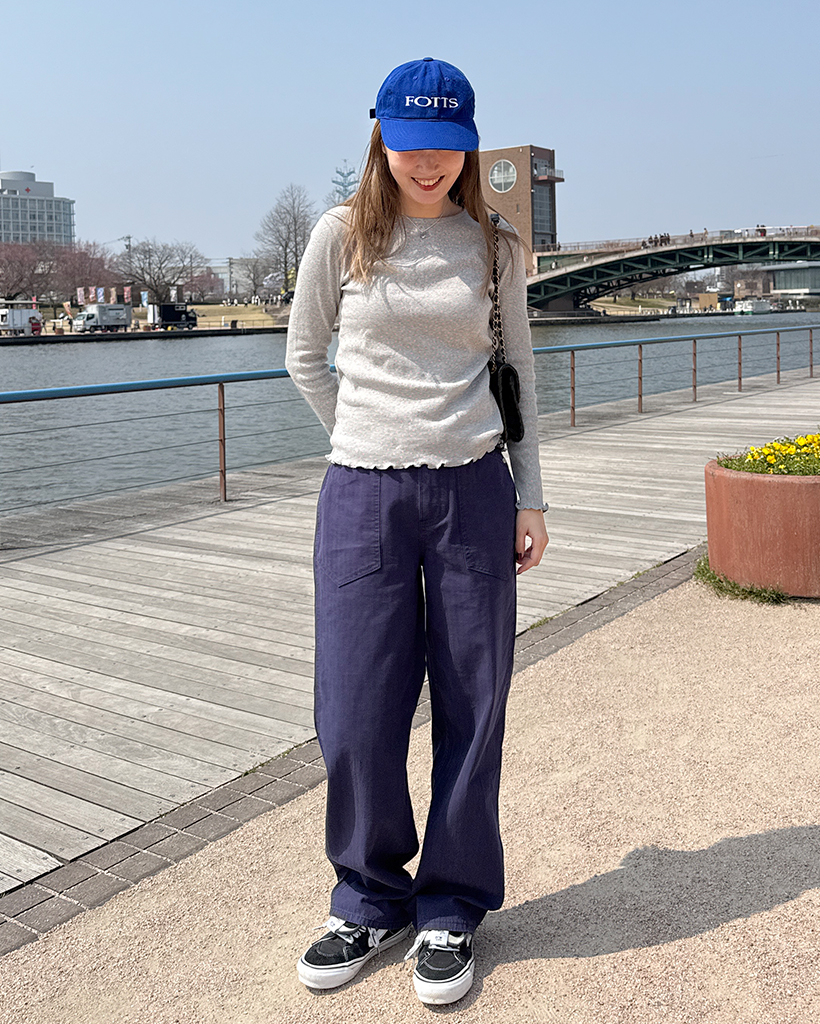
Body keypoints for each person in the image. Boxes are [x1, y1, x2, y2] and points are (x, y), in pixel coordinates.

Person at [286, 56, 548, 1006]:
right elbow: (303, 356)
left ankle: (451, 905)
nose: (428, 163)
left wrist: (530, 493)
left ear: (468, 146)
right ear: (381, 139)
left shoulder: (494, 246)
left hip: (475, 488)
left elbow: (517, 371)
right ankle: (367, 895)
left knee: (475, 702)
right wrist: (363, 434)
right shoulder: (340, 235)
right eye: (410, 145)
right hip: (363, 494)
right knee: (356, 708)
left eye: (446, 146)